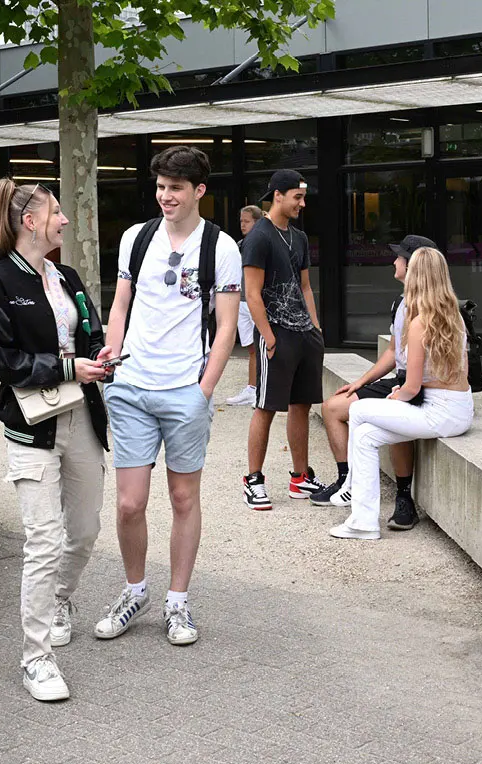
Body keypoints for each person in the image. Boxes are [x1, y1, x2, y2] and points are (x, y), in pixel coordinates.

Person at [0, 178, 114, 702]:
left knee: (86, 529)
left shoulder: (66, 276)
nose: (65, 220)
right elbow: (2, 362)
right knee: (44, 540)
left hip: (82, 420)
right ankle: (36, 659)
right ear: (30, 222)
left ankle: (59, 599)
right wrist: (70, 367)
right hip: (32, 429)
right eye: (57, 212)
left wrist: (101, 355)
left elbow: (89, 333)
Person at [96, 146, 241, 646]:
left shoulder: (221, 247)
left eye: (175, 188)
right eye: (160, 187)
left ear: (199, 190)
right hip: (132, 387)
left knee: (183, 498)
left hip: (185, 391)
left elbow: (226, 328)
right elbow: (120, 305)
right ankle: (134, 590)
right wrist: (113, 360)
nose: (165, 196)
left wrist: (204, 390)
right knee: (129, 503)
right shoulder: (136, 238)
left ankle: (177, 601)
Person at [328, 246, 474, 540]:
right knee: (366, 435)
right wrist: (402, 392)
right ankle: (362, 521)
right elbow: (448, 374)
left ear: (416, 275)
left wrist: (395, 396)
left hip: (438, 412)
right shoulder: (454, 316)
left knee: (358, 409)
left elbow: (412, 387)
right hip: (459, 408)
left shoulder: (420, 322)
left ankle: (351, 488)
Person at [309, 234, 437, 530]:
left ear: (413, 265)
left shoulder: (432, 306)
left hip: (426, 386)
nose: (394, 261)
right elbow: (393, 352)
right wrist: (360, 382)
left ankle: (404, 498)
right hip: (401, 379)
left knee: (397, 419)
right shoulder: (401, 302)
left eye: (399, 257)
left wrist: (405, 391)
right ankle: (347, 480)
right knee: (332, 407)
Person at [241, 169, 326, 511]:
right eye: (297, 197)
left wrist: (315, 329)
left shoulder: (299, 238)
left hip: (304, 335)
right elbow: (252, 293)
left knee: (301, 405)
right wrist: (268, 336)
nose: (302, 204)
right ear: (278, 195)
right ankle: (253, 480)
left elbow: (305, 286)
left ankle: (300, 477)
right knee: (265, 407)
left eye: (303, 197)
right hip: (276, 333)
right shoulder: (259, 237)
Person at [226, 204, 265, 406]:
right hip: (241, 301)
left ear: (257, 222)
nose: (242, 225)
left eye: (246, 221)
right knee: (252, 349)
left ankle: (267, 391)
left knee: (265, 346)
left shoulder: (265, 243)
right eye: (241, 221)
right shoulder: (239, 245)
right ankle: (252, 389)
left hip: (257, 301)